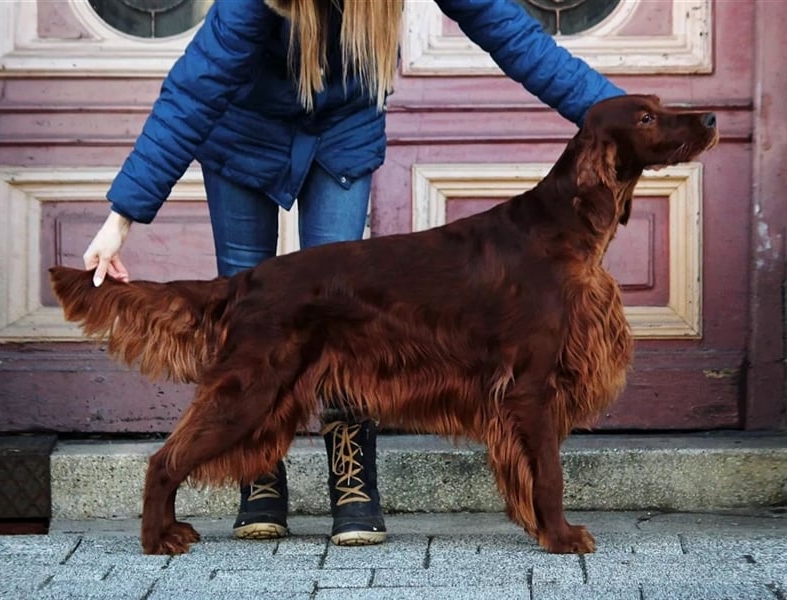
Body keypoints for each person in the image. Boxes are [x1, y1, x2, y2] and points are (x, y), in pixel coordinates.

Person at [82, 0, 625, 547]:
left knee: (354, 316)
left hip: (342, 134)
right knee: (255, 326)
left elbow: (517, 38)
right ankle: (258, 476)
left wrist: (627, 119)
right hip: (241, 132)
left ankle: (352, 478)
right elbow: (194, 92)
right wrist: (121, 218)